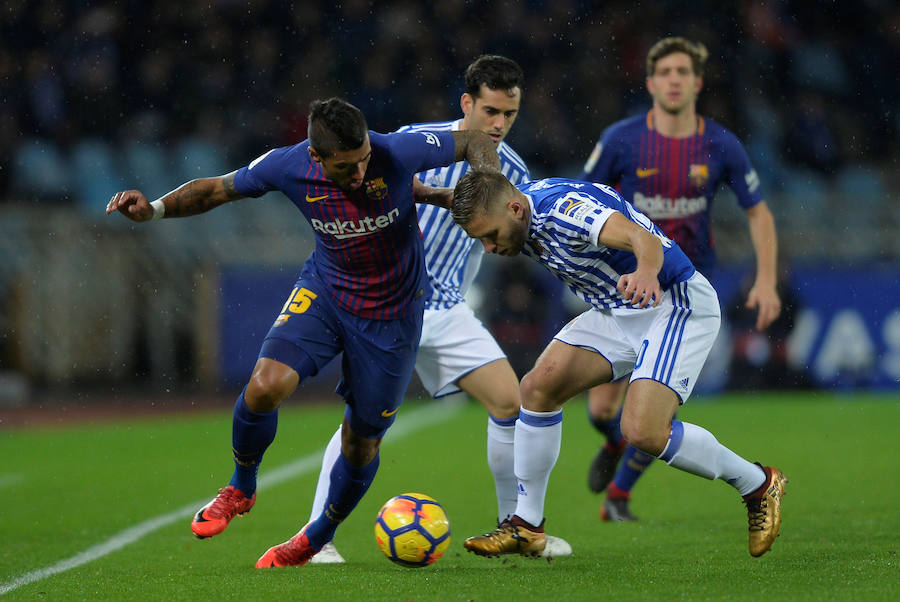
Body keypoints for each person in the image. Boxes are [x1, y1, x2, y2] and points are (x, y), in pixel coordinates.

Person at [106, 97, 501, 568]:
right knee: (264, 385)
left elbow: (475, 140)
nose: (359, 173)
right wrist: (152, 210)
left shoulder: (395, 150)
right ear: (316, 157)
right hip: (327, 291)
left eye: (363, 161)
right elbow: (216, 190)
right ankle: (241, 486)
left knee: (362, 441)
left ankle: (316, 536)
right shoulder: (287, 165)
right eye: (345, 167)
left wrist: (486, 184)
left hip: (394, 314)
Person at [307, 55, 570, 564]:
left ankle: (516, 528)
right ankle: (317, 538)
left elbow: (509, 240)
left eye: (510, 114)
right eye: (490, 110)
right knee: (362, 423)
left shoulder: (513, 171)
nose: (499, 123)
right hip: (390, 303)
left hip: (447, 306)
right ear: (467, 102)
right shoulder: (413, 142)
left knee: (510, 403)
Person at [450, 169, 787, 559]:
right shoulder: (510, 207)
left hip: (671, 303)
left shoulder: (567, 213)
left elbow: (642, 238)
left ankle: (758, 484)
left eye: (491, 235)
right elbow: (473, 201)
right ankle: (527, 525)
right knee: (537, 389)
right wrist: (421, 192)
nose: (489, 247)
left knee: (644, 431)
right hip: (618, 309)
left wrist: (645, 272)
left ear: (515, 210)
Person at [578, 37, 782, 522]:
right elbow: (582, 196)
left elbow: (758, 212)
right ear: (650, 83)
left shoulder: (720, 144)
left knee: (655, 407)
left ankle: (619, 495)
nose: (674, 80)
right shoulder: (621, 140)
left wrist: (767, 279)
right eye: (665, 72)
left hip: (687, 292)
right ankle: (614, 442)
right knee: (602, 410)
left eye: (682, 72)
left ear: (697, 83)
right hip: (627, 285)